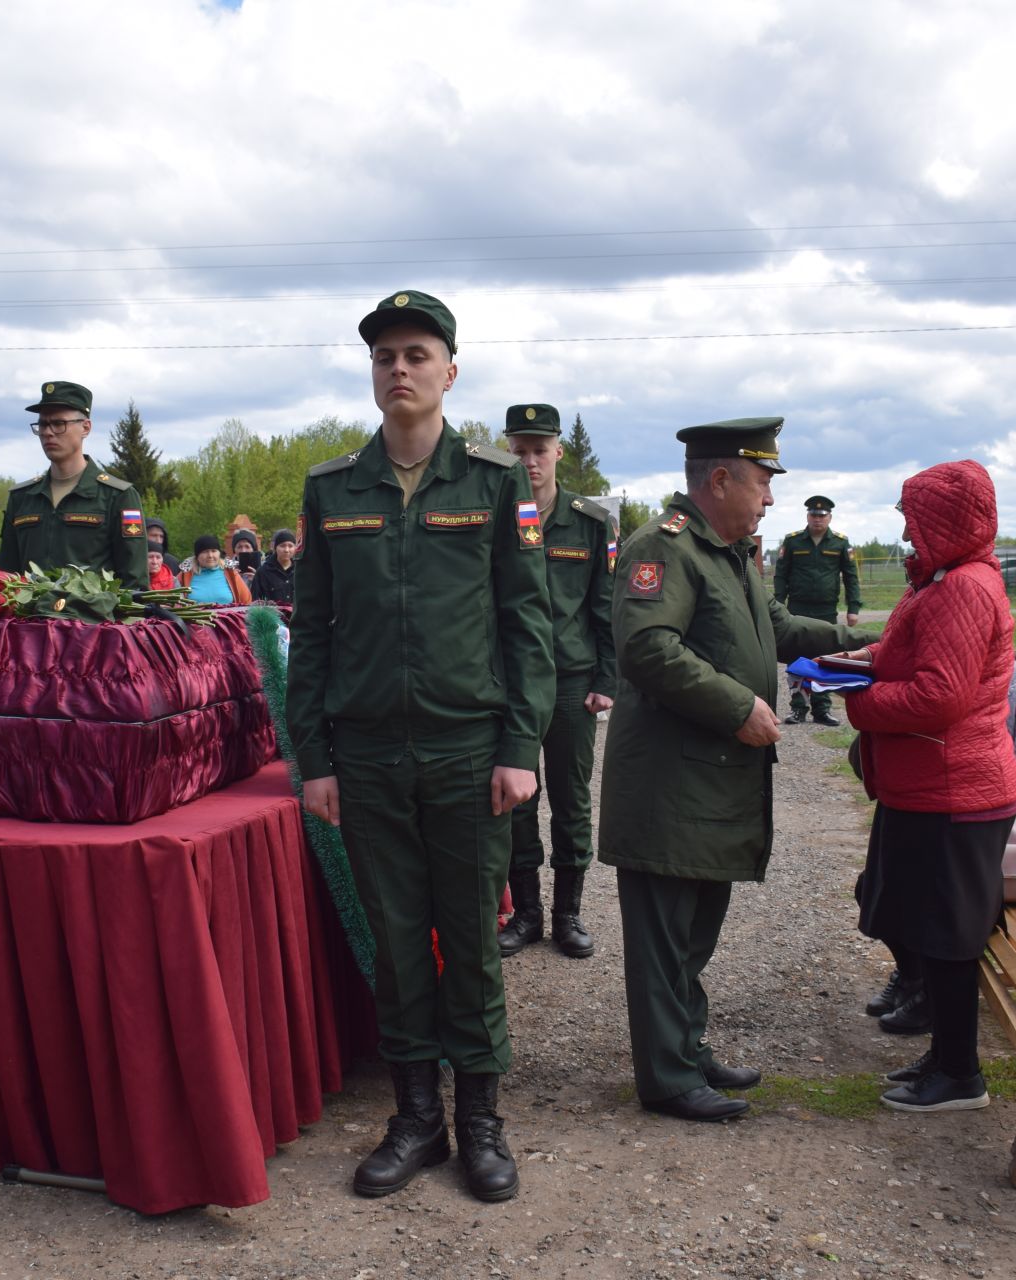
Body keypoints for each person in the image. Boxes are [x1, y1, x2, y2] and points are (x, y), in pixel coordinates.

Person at [288, 290, 553, 1202]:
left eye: (415, 354)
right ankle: (416, 1121)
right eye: (384, 357)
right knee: (399, 943)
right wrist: (313, 759)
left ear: (450, 370)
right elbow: (312, 634)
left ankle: (481, 1120)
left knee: (472, 940)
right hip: (364, 757)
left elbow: (527, 624)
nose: (398, 370)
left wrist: (520, 744)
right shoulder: (333, 489)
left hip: (468, 753)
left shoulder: (491, 483)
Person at [600, 418, 877, 1122]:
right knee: (665, 938)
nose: (771, 500)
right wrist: (736, 708)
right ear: (719, 480)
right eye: (762, 482)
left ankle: (685, 1048)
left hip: (711, 783)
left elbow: (777, 627)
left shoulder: (728, 553)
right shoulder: (663, 548)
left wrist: (861, 644)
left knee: (695, 932)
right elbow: (648, 649)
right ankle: (666, 1078)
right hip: (671, 784)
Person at [845, 459, 1016, 1114]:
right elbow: (913, 659)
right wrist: (856, 663)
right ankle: (945, 1056)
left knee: (948, 936)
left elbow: (939, 696)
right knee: (923, 922)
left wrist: (860, 702)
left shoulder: (963, 589)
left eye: (915, 521)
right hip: (930, 788)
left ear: (944, 522)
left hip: (957, 792)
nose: (908, 535)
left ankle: (960, 1075)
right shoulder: (941, 582)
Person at [863, 654, 1016, 1033]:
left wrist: (973, 802)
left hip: (1007, 839)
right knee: (877, 885)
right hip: (956, 821)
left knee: (931, 896)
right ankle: (914, 976)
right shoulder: (946, 683)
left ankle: (931, 997)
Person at [494, 403, 614, 961]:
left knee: (570, 801)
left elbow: (605, 607)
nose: (529, 459)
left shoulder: (589, 522)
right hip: (508, 683)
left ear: (558, 451)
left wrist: (606, 678)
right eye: (518, 449)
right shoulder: (494, 515)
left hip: (570, 681)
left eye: (539, 449)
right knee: (515, 799)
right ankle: (526, 914)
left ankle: (568, 913)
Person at [0, 381, 149, 590]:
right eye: (43, 424)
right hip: (29, 621)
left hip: (94, 620)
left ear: (85, 427)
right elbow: (7, 576)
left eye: (59, 424)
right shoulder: (22, 497)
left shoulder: (117, 495)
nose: (48, 432)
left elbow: (134, 583)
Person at [774, 496, 862, 726]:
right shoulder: (793, 542)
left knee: (825, 658)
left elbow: (851, 577)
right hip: (798, 609)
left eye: (822, 516)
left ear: (829, 518)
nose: (817, 519)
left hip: (826, 610)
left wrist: (853, 608)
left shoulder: (840, 543)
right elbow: (781, 575)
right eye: (813, 515)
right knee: (797, 658)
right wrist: (778, 603)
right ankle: (798, 708)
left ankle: (822, 710)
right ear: (807, 516)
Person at [182, 535, 251, 605]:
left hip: (228, 615)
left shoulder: (231, 573)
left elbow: (247, 602)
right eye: (205, 552)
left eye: (214, 551)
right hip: (194, 616)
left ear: (219, 553)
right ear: (197, 556)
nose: (210, 555)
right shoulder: (184, 576)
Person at [250, 529, 297, 605]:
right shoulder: (263, 571)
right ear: (275, 547)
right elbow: (255, 600)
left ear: (295, 548)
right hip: (272, 615)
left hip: (297, 616)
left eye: (290, 546)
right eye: (282, 546)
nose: (286, 550)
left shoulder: (300, 570)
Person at [143, 518, 177, 591]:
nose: (158, 540)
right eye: (154, 535)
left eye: (161, 536)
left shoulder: (172, 562)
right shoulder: (133, 562)